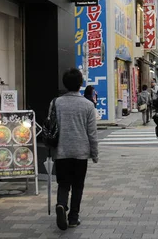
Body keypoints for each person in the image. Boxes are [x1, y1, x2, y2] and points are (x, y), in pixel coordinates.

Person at [50, 68, 98, 230]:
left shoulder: (55, 102)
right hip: (80, 152)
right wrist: (94, 153)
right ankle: (73, 218)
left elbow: (50, 125)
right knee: (78, 185)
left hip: (61, 151)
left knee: (63, 184)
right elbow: (92, 133)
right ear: (80, 84)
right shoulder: (88, 105)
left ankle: (61, 204)